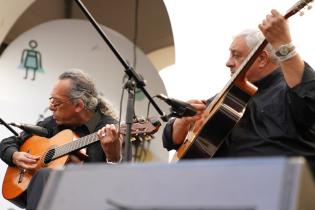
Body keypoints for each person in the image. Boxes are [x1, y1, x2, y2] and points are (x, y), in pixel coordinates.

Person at [163, 10, 315, 176]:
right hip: (226, 193)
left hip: (282, 192)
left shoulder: (290, 89)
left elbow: (308, 101)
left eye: (236, 55)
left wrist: (283, 44)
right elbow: (171, 140)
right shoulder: (228, 97)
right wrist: (182, 123)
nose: (228, 63)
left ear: (262, 59)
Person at [0, 69, 122, 210]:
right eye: (51, 100)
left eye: (56, 103)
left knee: (45, 174)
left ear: (78, 105)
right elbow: (8, 143)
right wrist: (15, 155)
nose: (51, 107)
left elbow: (117, 185)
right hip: (48, 202)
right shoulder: (52, 123)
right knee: (44, 175)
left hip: (86, 202)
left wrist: (113, 157)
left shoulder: (109, 129)